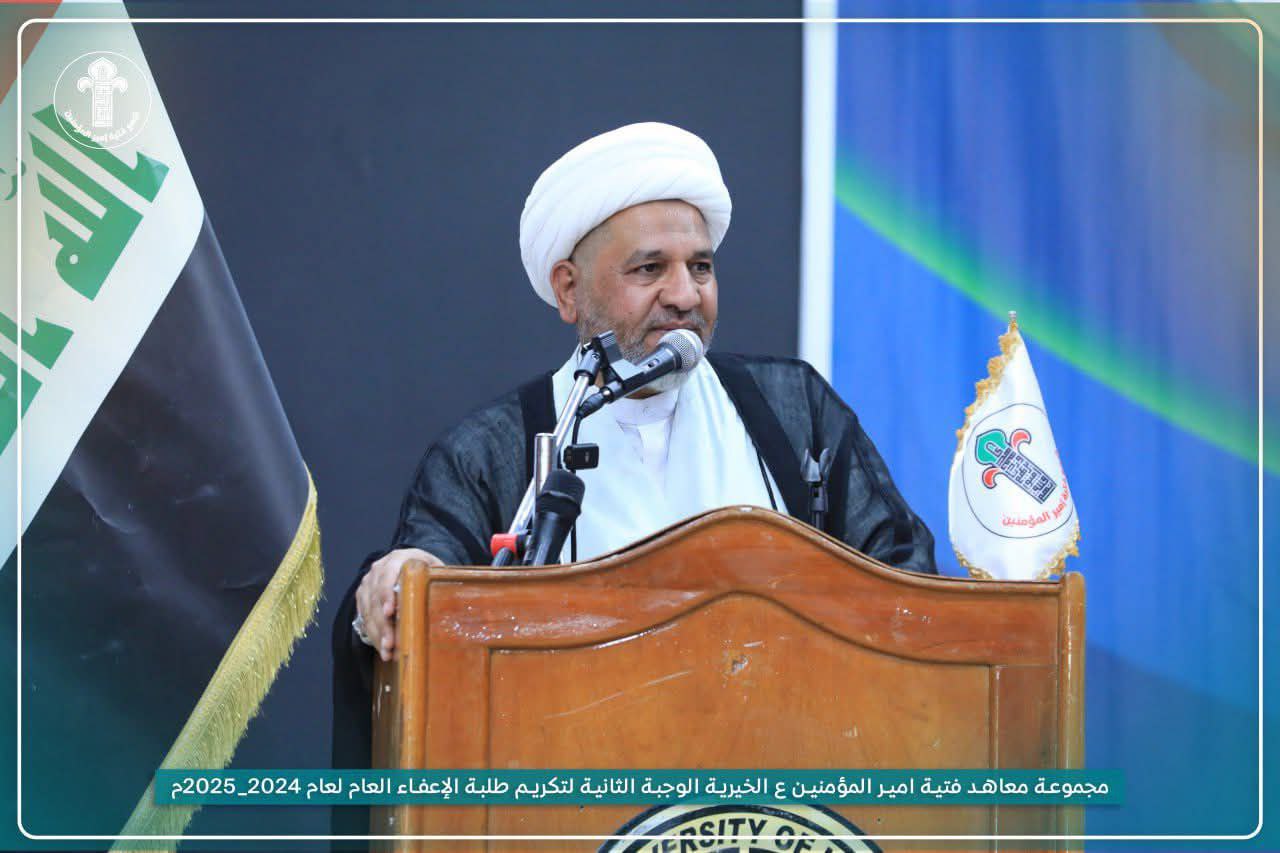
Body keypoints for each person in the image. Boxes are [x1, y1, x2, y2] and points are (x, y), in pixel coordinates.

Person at [331, 123, 936, 828]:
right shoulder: (499, 449)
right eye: (649, 270)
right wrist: (399, 581)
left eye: (701, 267)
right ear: (569, 289)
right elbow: (427, 576)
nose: (685, 296)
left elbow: (906, 586)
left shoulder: (791, 410)